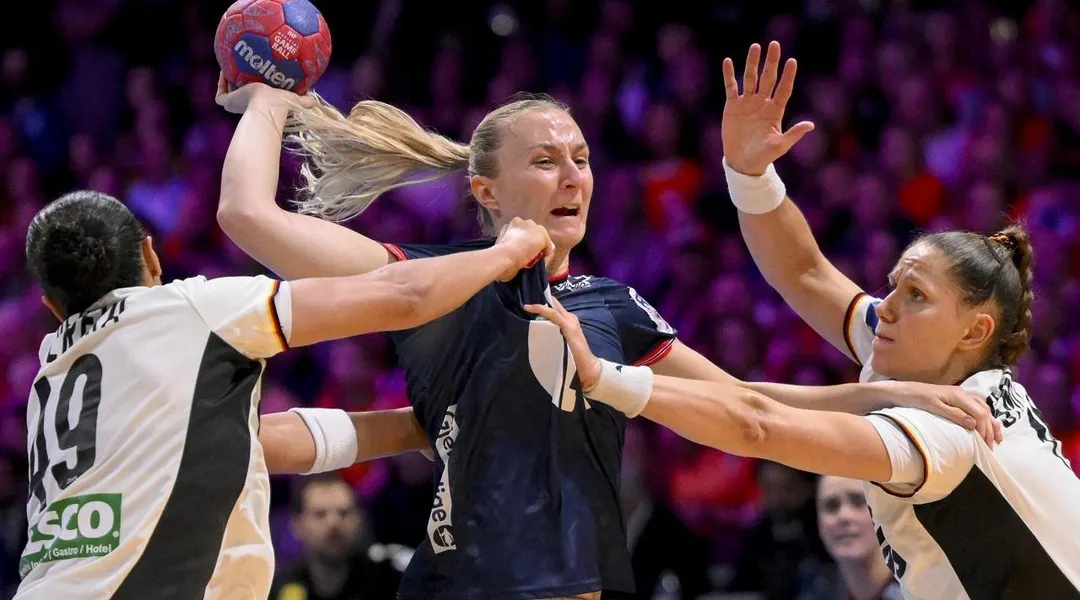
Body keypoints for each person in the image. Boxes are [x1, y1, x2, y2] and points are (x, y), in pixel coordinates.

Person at [214, 76, 996, 600]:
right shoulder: (425, 283)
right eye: (547, 161)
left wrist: (881, 395)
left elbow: (749, 405)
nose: (572, 177)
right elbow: (249, 218)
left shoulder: (613, 306)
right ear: (486, 191)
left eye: (582, 160)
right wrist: (268, 100)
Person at [526, 42, 1080, 599]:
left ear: (975, 331)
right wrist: (748, 171)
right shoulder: (929, 362)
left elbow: (756, 426)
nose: (884, 306)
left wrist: (602, 380)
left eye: (916, 295)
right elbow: (805, 271)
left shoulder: (949, 432)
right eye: (894, 286)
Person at [15, 190, 553, 600]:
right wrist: (505, 253)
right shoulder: (187, 311)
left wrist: (416, 425)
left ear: (52, 306)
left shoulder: (50, 372)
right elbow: (401, 294)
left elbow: (253, 442)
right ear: (151, 258)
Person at [270, 473, 401, 600]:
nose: (334, 523)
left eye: (343, 513)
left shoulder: (389, 583)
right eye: (320, 514)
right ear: (297, 525)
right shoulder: (277, 587)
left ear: (359, 520)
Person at [799, 476, 902, 600]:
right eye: (831, 506)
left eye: (859, 501)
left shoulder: (923, 589)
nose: (844, 516)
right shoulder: (813, 590)